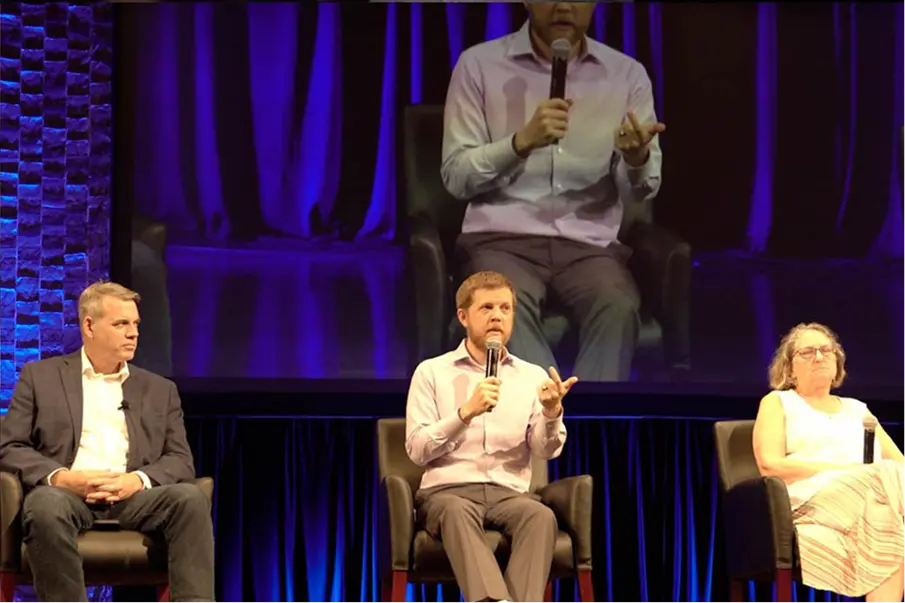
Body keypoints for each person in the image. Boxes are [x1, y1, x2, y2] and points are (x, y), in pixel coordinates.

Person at [441, 1, 666, 382]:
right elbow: (456, 177)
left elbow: (644, 188)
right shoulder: (478, 65)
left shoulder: (626, 75)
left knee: (617, 305)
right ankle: (546, 424)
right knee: (502, 309)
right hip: (502, 239)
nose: (564, 6)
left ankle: (591, 427)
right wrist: (520, 142)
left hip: (589, 246)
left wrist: (637, 158)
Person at [0, 281, 214, 603]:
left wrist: (136, 480)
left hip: (133, 498)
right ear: (89, 326)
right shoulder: (40, 377)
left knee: (189, 498)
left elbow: (180, 459)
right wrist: (61, 478)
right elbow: (9, 447)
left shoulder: (159, 389)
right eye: (121, 324)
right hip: (67, 496)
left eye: (136, 324)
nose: (133, 333)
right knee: (44, 504)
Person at [405, 270, 579, 603]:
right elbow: (416, 450)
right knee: (456, 511)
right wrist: (464, 414)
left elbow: (546, 450)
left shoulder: (532, 376)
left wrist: (551, 413)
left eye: (505, 308)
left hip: (509, 494)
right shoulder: (432, 372)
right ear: (463, 316)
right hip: (447, 492)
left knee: (540, 516)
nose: (497, 316)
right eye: (486, 308)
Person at [752, 322, 905, 603]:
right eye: (807, 352)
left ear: (838, 362)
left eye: (826, 350)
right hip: (810, 500)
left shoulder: (857, 409)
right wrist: (846, 471)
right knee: (881, 478)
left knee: (890, 522)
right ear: (789, 368)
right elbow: (770, 465)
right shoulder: (779, 402)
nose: (819, 357)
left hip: (869, 498)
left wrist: (865, 476)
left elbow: (900, 466)